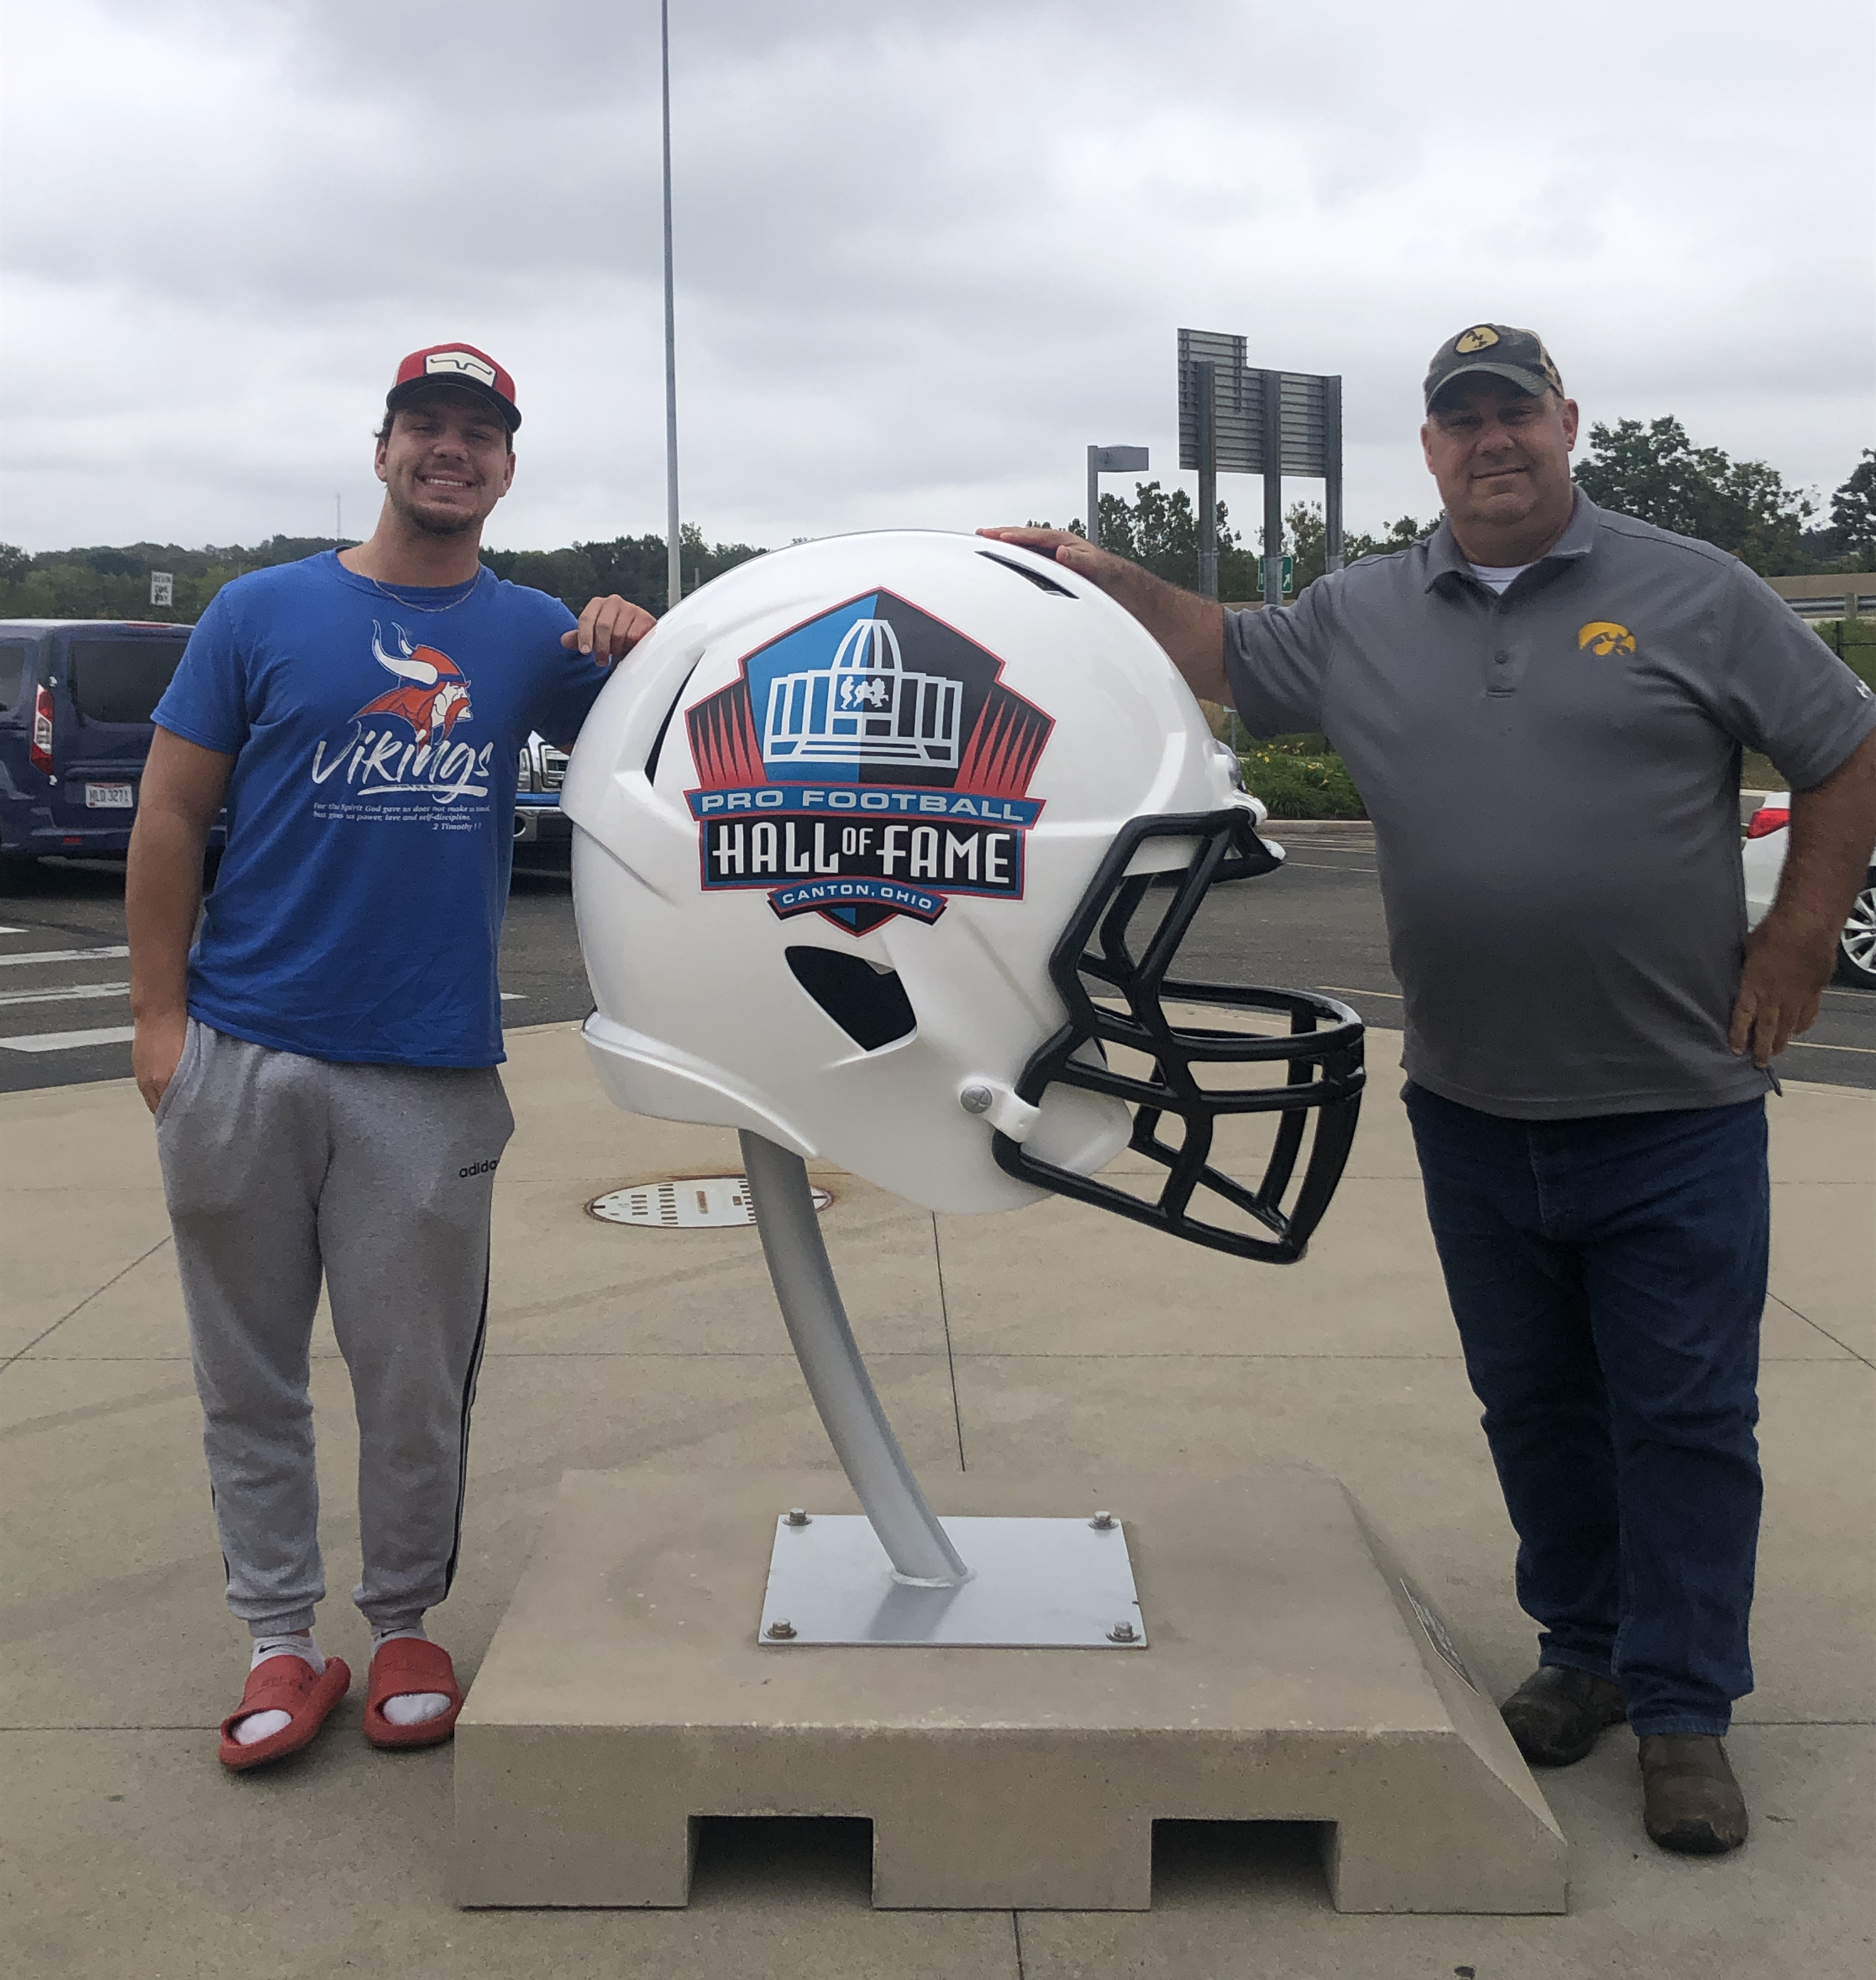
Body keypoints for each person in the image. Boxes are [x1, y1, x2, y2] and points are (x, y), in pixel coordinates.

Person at [983, 322, 1876, 1856]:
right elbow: (1221, 647)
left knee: (1682, 1418)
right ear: (1431, 450)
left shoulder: (1697, 591)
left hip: (1671, 1108)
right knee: (1535, 1408)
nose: (1492, 442)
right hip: (1469, 1108)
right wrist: (1099, 573)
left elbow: (1850, 750)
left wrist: (1799, 937)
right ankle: (1582, 1653)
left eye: (1513, 412)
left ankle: (1682, 1713)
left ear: (1566, 421)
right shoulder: (1369, 612)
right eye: (1461, 422)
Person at [127, 342, 656, 1772]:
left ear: (505, 467)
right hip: (242, 1053)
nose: (449, 451)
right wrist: (160, 1027)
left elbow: (657, 760)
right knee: (249, 1377)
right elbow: (171, 817)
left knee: (413, 1376)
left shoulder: (533, 633)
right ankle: (280, 1641)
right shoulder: (261, 613)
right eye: (425, 426)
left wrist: (628, 641)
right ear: (381, 451)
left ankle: (406, 1616)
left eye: (478, 435)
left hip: (424, 1068)